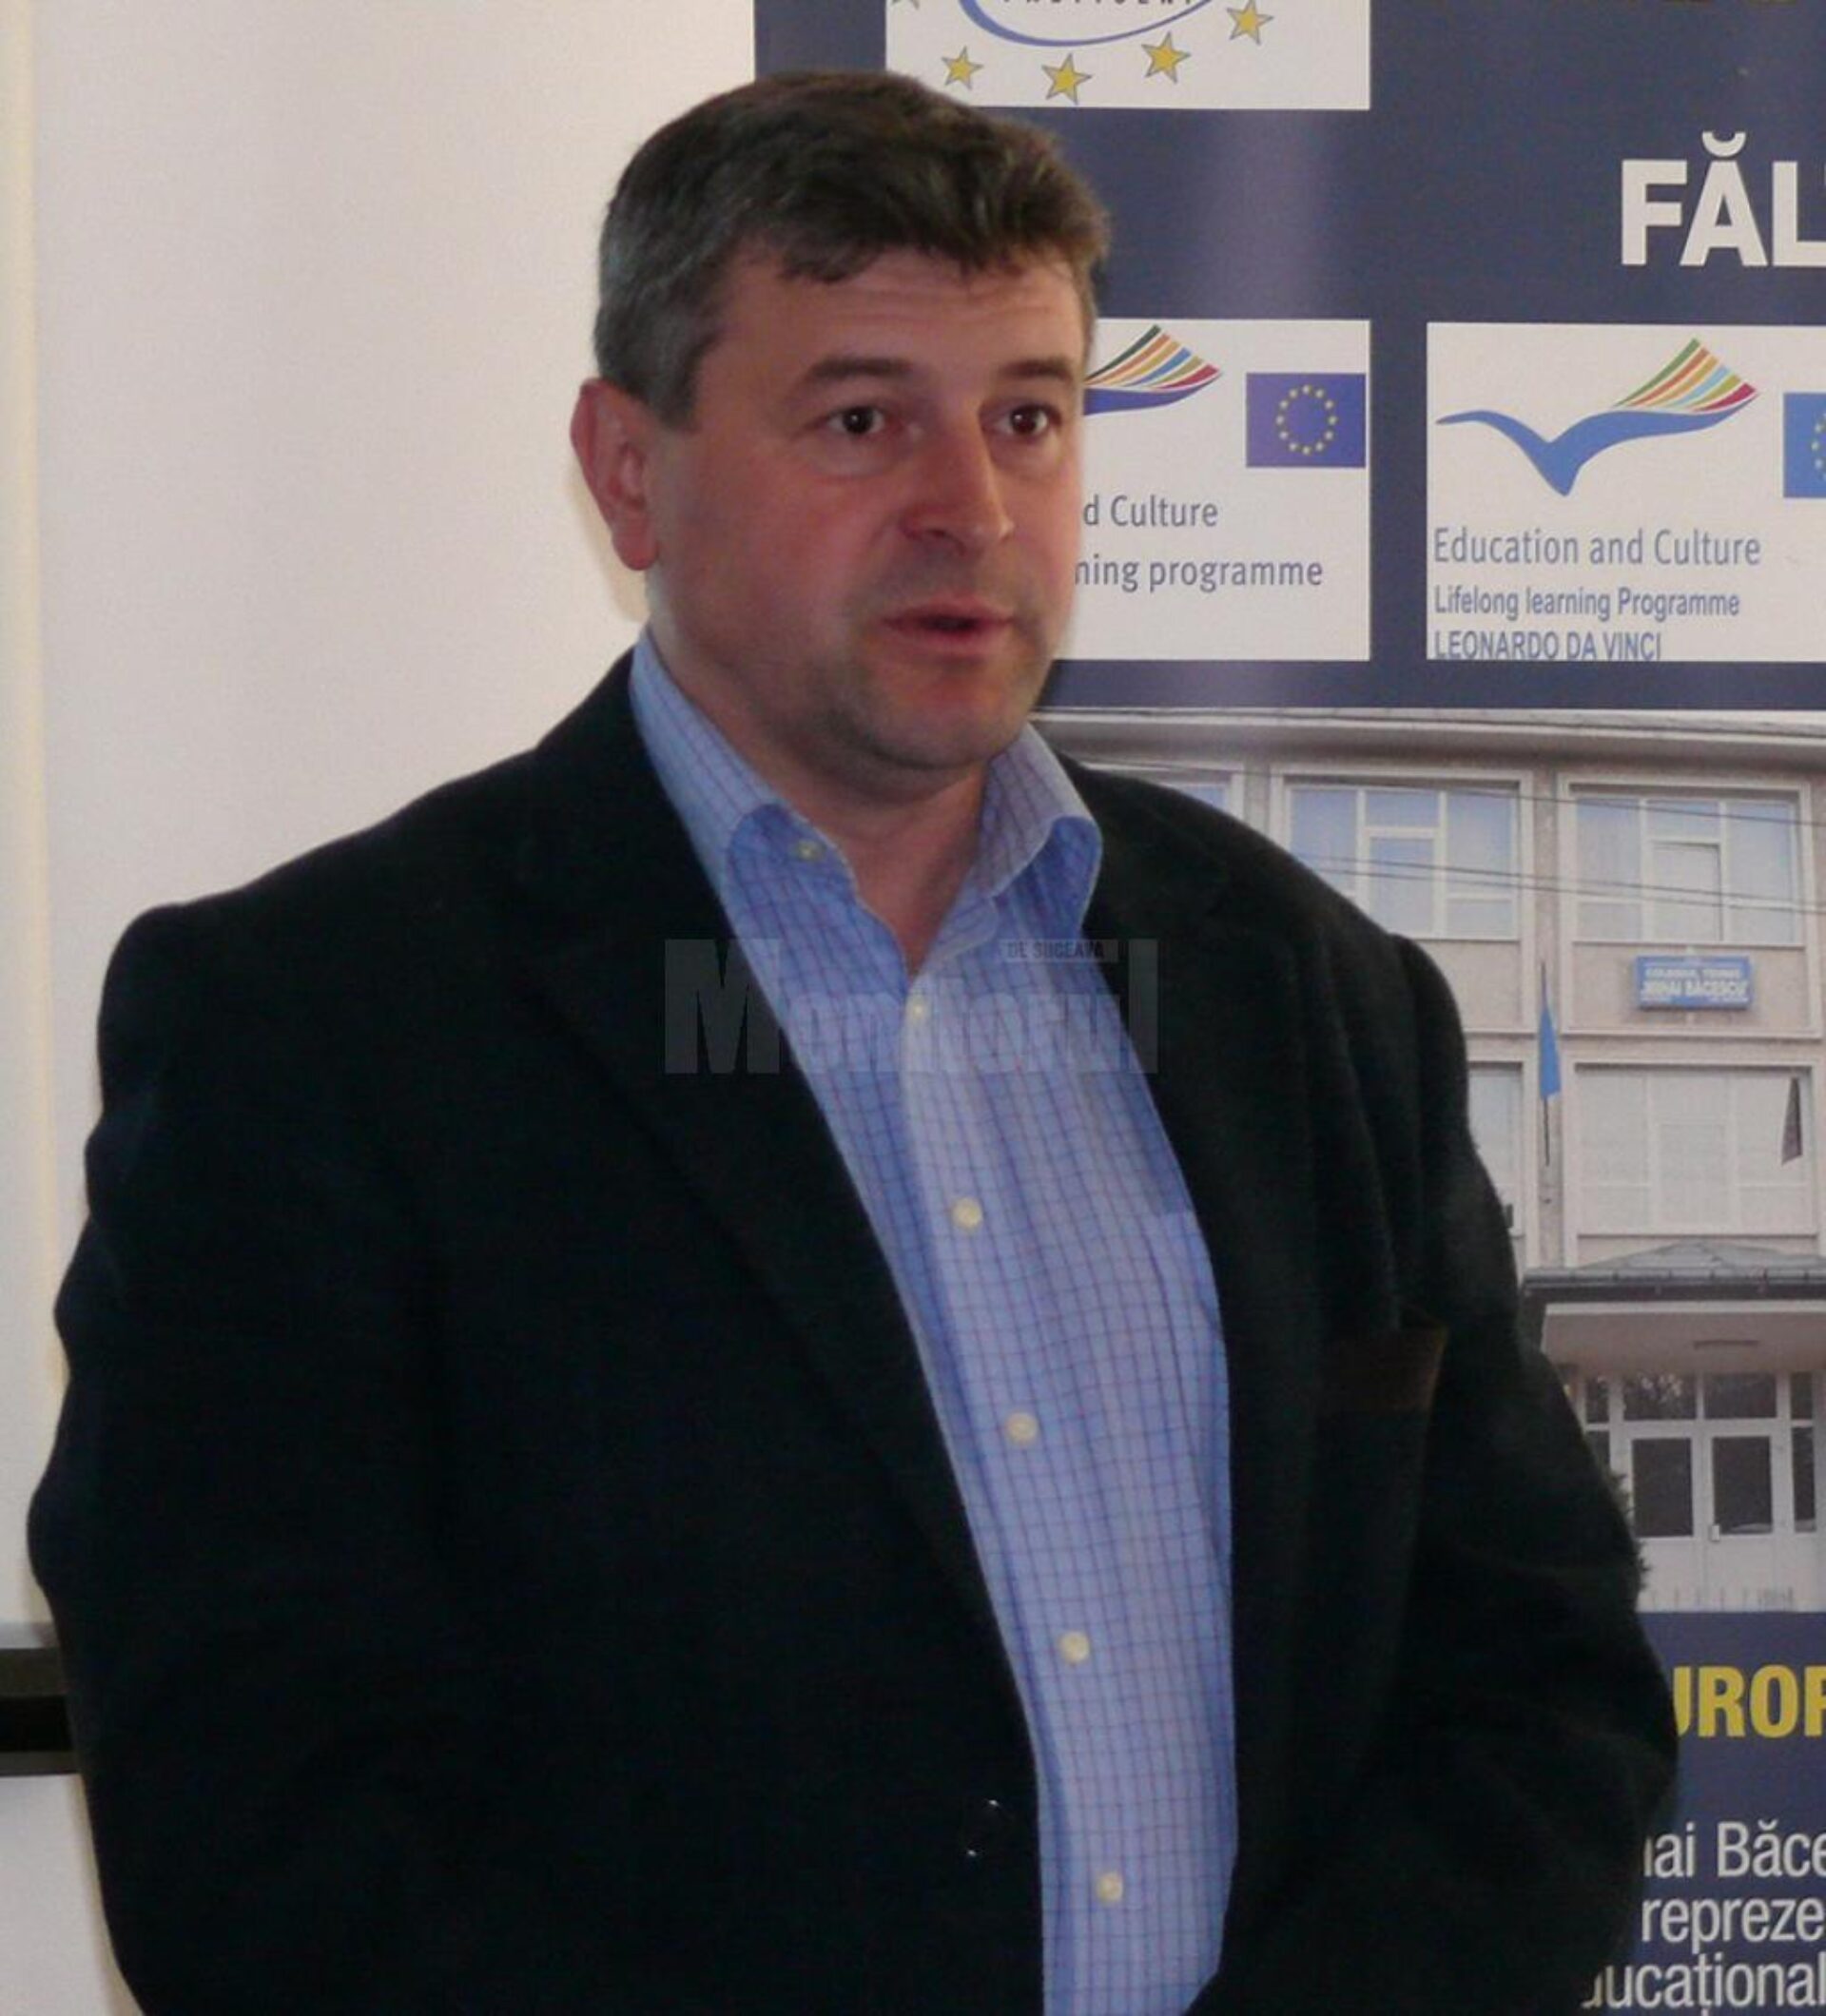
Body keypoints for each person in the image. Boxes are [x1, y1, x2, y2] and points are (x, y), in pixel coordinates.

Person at [31, 68, 1674, 2016]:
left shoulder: (1310, 997)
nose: (970, 508)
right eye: (862, 418)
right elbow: (257, 1820)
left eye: (1030, 417)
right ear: (629, 470)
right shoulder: (321, 1026)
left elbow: (1539, 1689)